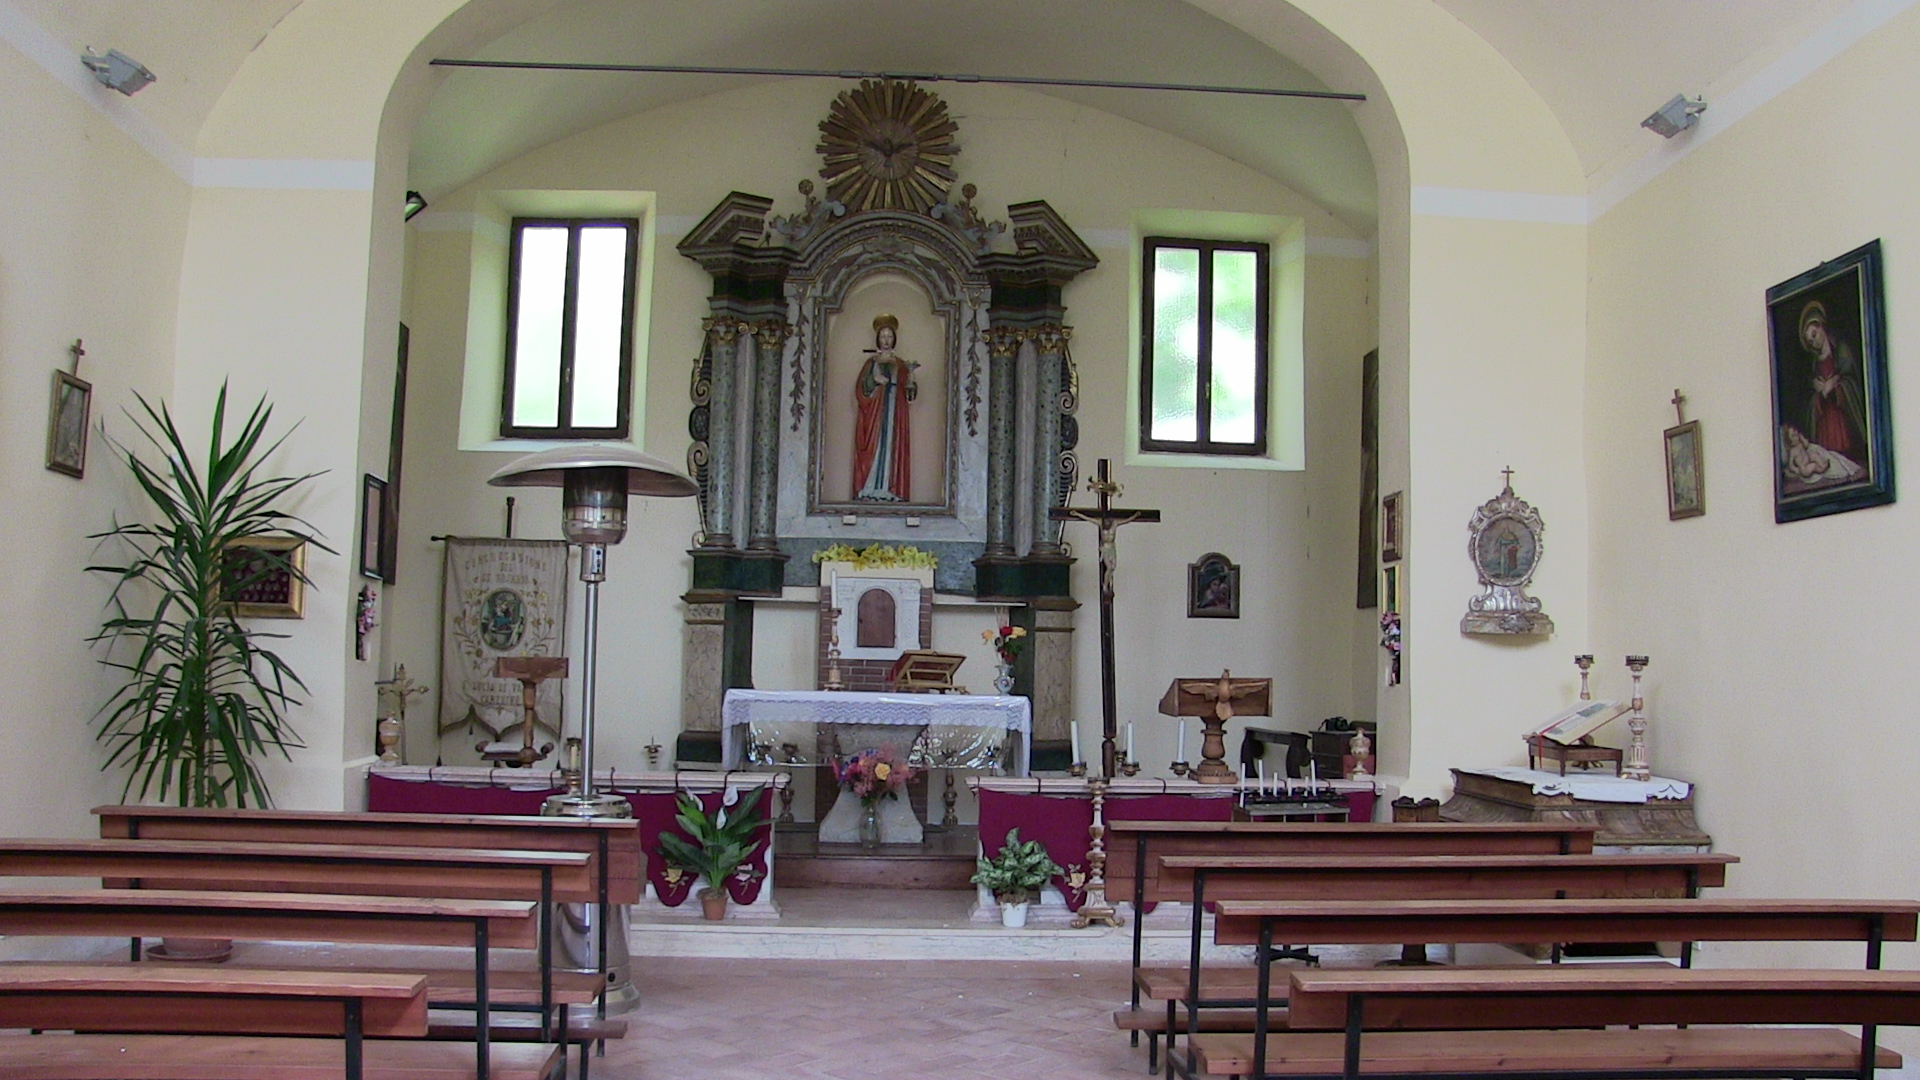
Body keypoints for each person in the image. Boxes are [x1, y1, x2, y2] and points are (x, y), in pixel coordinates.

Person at [851, 313, 917, 501]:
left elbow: (910, 395)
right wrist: (874, 380)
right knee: (874, 448)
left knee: (892, 450)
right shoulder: (871, 363)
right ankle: (870, 488)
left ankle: (890, 489)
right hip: (875, 415)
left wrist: (911, 380)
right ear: (878, 339)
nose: (886, 340)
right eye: (883, 336)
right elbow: (861, 390)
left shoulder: (901, 365)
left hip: (895, 414)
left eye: (889, 336)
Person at [1798, 300, 1868, 466]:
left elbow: (1851, 379)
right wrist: (1818, 391)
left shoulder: (1841, 350)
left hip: (1840, 414)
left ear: (1821, 326)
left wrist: (1837, 386)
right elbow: (1811, 396)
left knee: (1845, 454)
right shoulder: (1814, 364)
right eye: (1809, 341)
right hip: (1825, 419)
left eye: (1814, 335)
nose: (1813, 342)